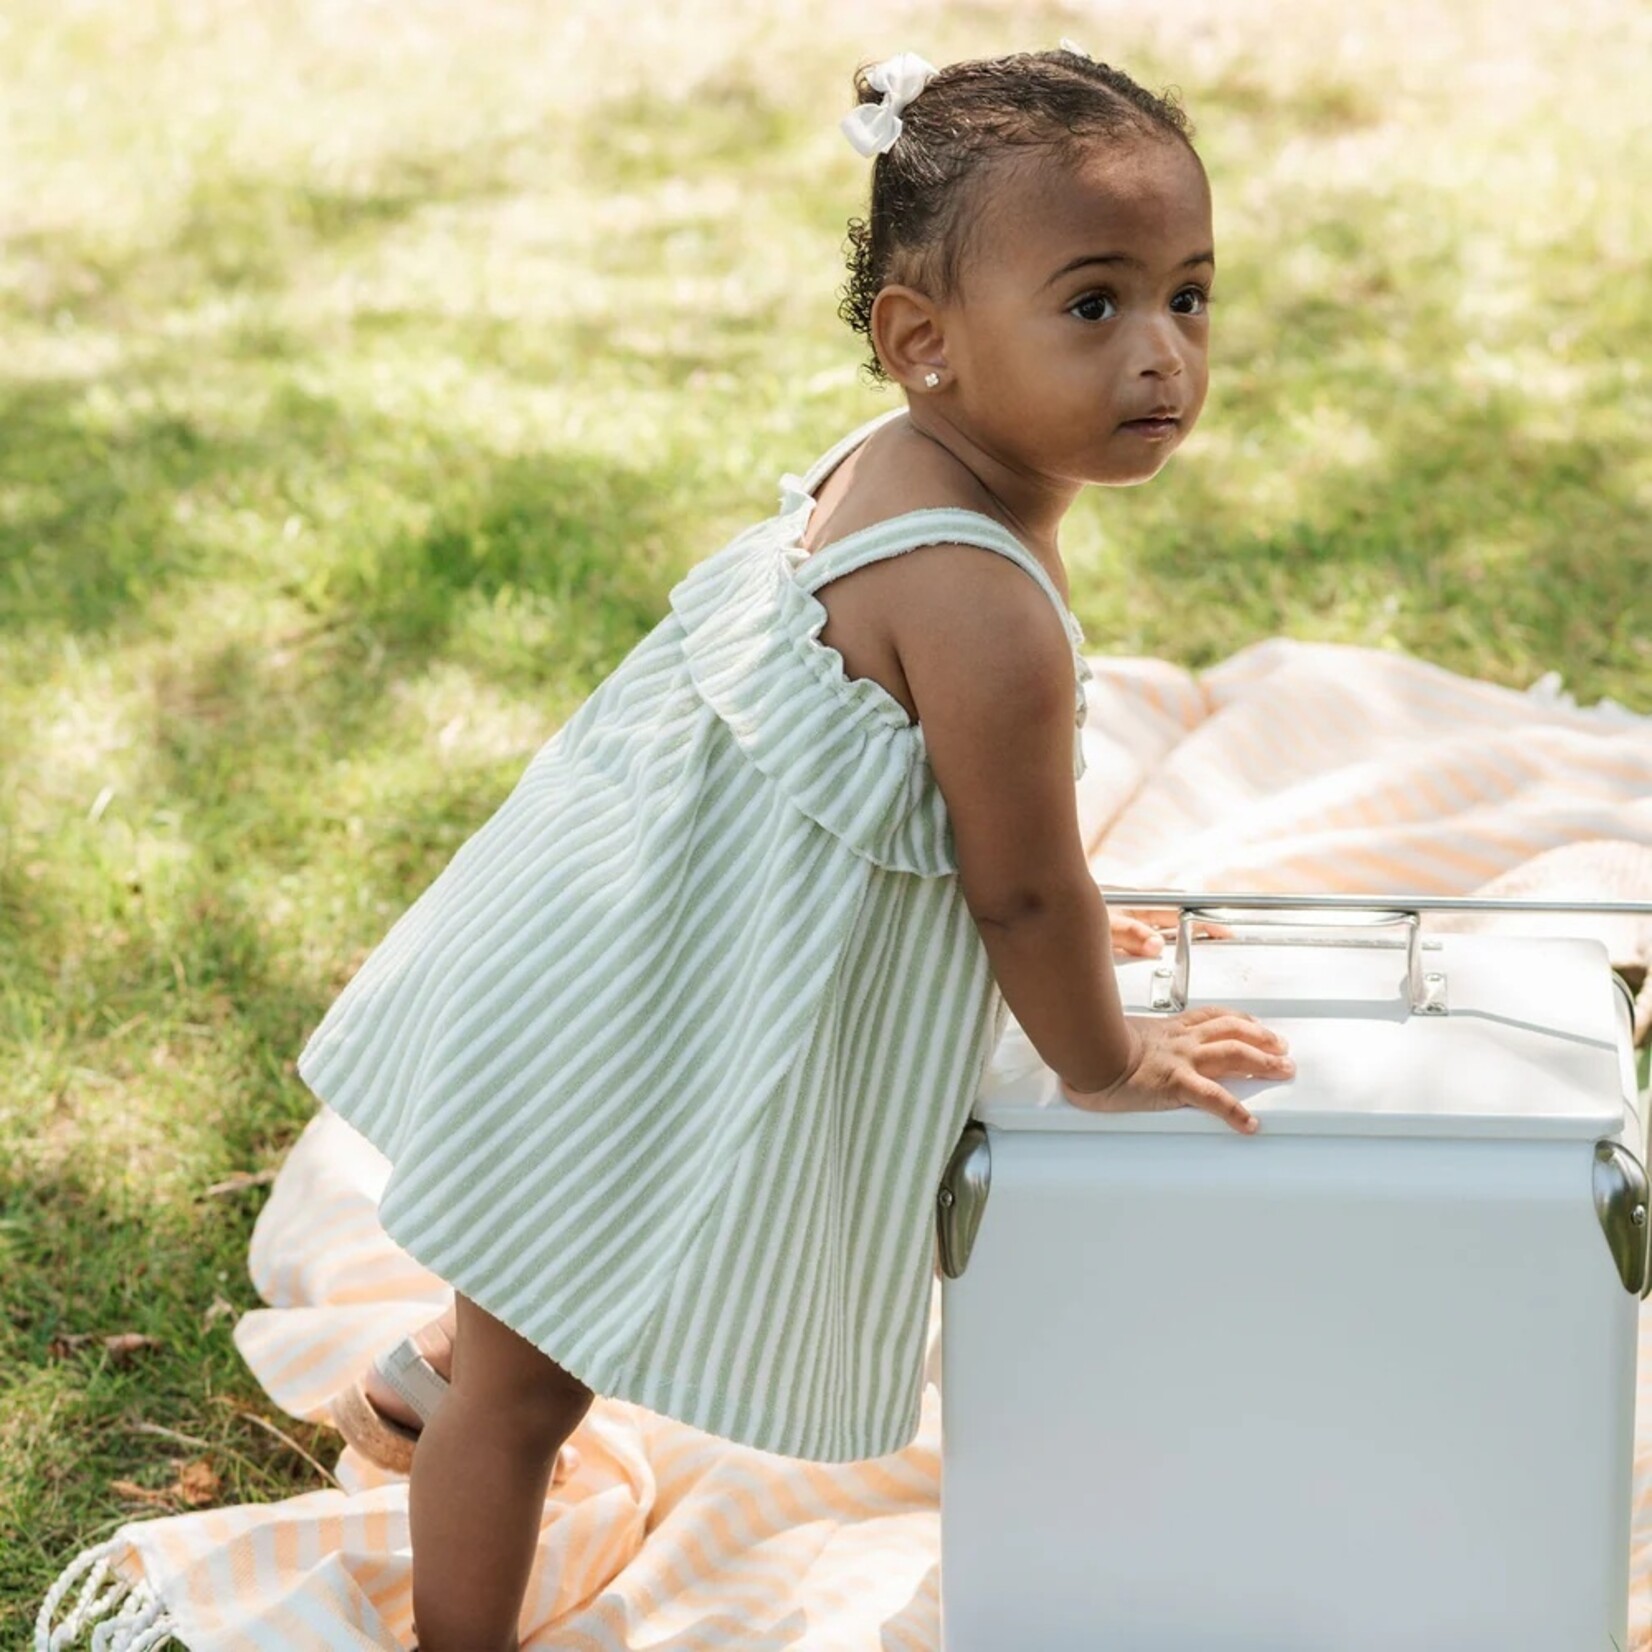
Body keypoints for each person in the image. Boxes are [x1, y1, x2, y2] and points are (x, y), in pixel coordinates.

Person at [298, 44, 1295, 1652]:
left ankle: (439, 1369)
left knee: (539, 1271)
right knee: (541, 1388)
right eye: (1095, 304)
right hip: (645, 1018)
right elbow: (1018, 881)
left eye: (1191, 296)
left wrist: (1048, 925)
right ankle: (455, 1614)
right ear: (924, 343)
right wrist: (1106, 1063)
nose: (1161, 354)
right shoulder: (983, 603)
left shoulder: (896, 468)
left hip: (630, 936)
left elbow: (938, 827)